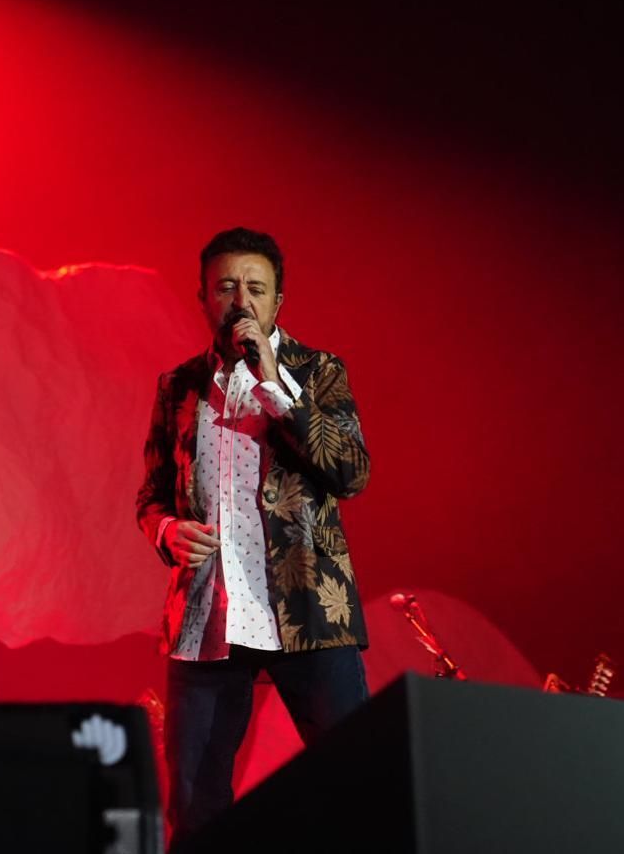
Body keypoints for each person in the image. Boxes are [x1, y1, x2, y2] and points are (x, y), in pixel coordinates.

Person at [135, 227, 372, 839]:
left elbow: (351, 472)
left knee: (361, 786)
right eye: (227, 287)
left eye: (256, 288)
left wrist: (274, 385)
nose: (241, 300)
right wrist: (166, 531)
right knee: (195, 801)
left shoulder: (318, 371)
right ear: (205, 298)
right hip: (209, 614)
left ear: (277, 302)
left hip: (308, 612)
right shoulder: (179, 387)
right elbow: (151, 495)